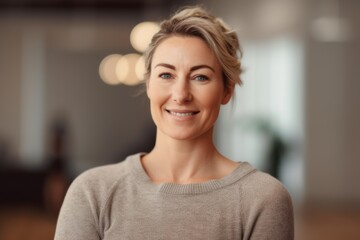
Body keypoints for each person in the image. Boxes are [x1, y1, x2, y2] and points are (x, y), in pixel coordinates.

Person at [54, 6, 294, 240]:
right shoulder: (92, 192)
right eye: (166, 75)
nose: (181, 95)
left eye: (200, 77)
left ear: (227, 89)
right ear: (148, 84)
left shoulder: (262, 198)